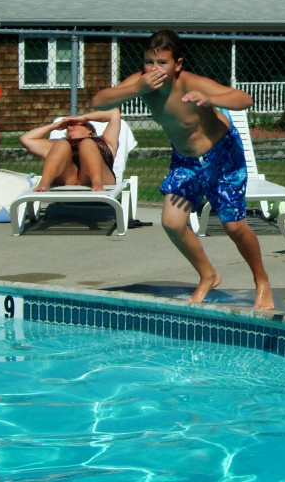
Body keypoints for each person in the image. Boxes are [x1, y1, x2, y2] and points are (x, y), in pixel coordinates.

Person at [92, 29, 273, 309]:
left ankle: (261, 280)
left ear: (178, 65)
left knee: (234, 226)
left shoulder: (190, 83)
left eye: (162, 63)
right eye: (149, 63)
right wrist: (137, 88)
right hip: (186, 161)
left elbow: (244, 99)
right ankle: (208, 275)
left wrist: (212, 100)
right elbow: (99, 101)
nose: (155, 70)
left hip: (222, 156)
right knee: (172, 222)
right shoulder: (142, 84)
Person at [19, 108, 122, 192]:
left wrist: (83, 118)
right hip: (69, 178)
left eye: (74, 124)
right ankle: (44, 183)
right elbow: (25, 139)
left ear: (89, 129)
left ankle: (96, 182)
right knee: (62, 144)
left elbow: (114, 113)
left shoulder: (105, 142)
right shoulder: (59, 145)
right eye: (68, 126)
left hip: (100, 177)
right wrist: (54, 126)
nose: (69, 127)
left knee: (87, 143)